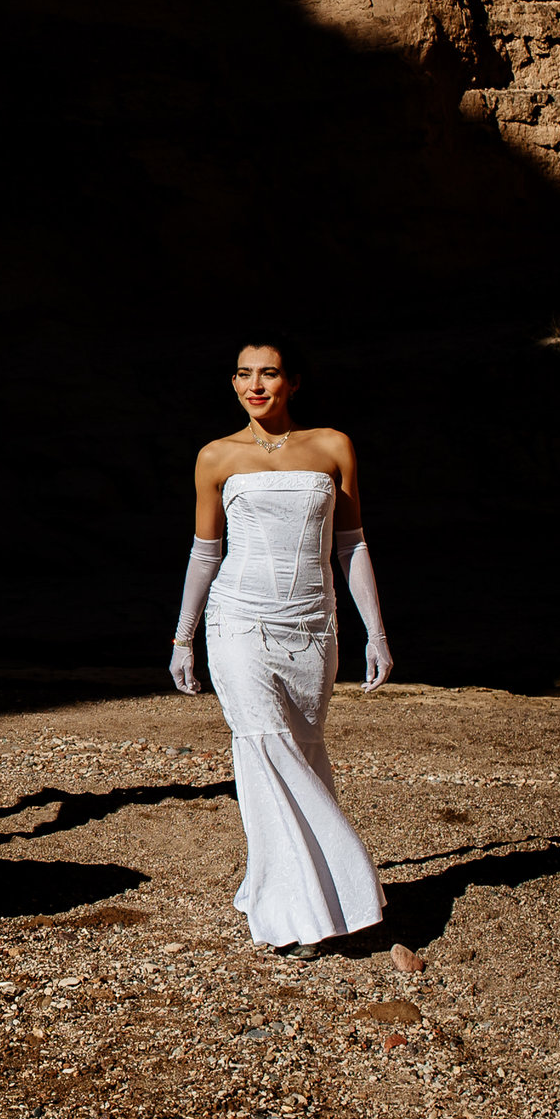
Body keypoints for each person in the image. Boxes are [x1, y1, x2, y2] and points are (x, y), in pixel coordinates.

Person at [168, 338, 393, 959]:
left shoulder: (332, 446)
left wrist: (375, 630)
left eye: (269, 374)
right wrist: (183, 636)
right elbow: (205, 553)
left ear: (294, 381)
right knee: (264, 747)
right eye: (244, 375)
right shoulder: (216, 457)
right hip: (238, 620)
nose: (255, 385)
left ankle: (288, 889)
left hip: (312, 629)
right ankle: (311, 908)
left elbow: (351, 545)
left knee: (302, 750)